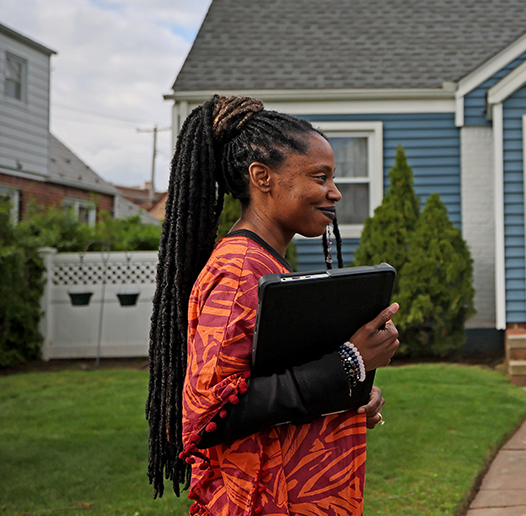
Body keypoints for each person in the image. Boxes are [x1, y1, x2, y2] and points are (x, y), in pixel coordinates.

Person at [146, 95, 401, 514]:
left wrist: (348, 392)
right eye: (320, 178)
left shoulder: (267, 265)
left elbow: (277, 378)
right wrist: (348, 362)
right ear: (262, 177)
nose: (335, 193)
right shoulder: (238, 271)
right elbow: (208, 415)